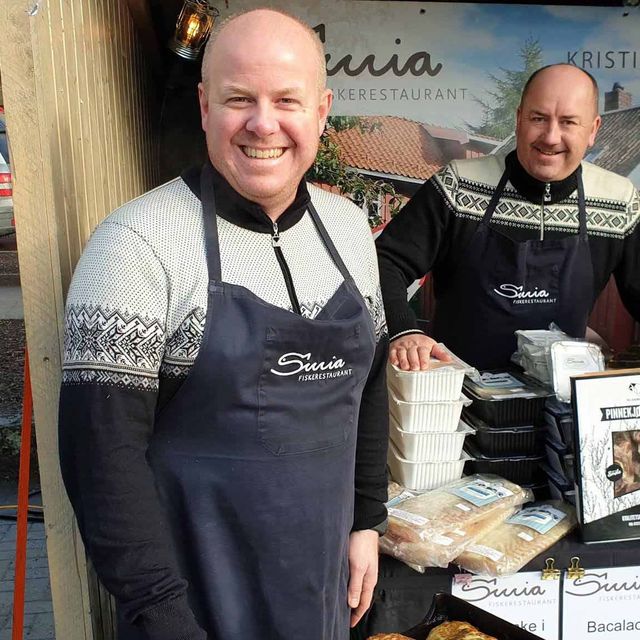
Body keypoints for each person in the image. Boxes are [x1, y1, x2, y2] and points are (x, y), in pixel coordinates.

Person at [58, 9, 389, 640]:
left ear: (321, 109)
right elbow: (102, 460)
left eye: (286, 100)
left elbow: (367, 388)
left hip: (322, 591)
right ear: (205, 105)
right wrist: (162, 616)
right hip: (197, 609)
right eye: (240, 99)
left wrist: (365, 521)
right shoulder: (136, 244)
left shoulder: (349, 230)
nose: (264, 124)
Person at [376, 63, 640, 372]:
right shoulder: (458, 185)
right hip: (461, 399)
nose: (551, 137)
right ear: (518, 119)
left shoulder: (618, 199)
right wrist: (405, 331)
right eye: (538, 118)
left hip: (564, 404)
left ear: (593, 130)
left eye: (568, 122)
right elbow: (385, 262)